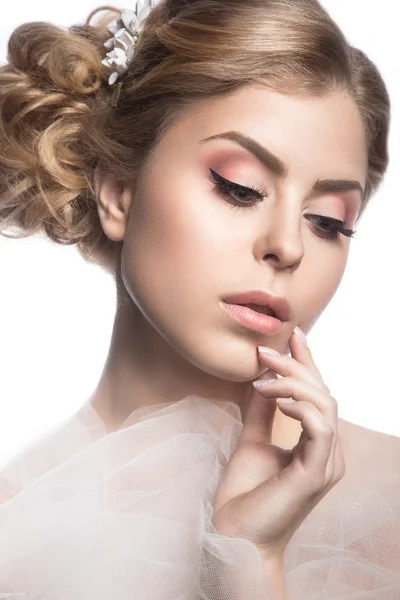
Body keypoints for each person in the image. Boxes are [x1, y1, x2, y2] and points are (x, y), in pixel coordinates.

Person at [0, 0, 399, 598]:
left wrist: (249, 560)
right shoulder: (15, 537)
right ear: (117, 194)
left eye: (327, 221)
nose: (287, 245)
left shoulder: (389, 506)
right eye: (240, 188)